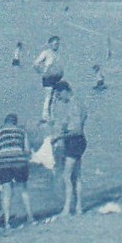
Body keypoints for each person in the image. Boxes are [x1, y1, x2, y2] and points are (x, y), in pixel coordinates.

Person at [0, 113, 34, 227]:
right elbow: (27, 150)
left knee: (6, 191)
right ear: (15, 122)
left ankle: (7, 221)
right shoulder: (22, 131)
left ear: (5, 122)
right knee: (23, 189)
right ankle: (30, 217)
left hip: (4, 163)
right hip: (20, 161)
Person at [52, 83, 88, 215]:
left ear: (65, 91)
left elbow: (77, 130)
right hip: (78, 141)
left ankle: (67, 208)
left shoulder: (74, 105)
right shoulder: (78, 104)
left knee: (66, 175)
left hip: (74, 141)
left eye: (59, 94)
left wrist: (59, 136)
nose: (59, 98)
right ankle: (78, 207)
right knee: (76, 175)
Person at [33, 35, 64, 121]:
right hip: (48, 78)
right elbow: (36, 64)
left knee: (54, 97)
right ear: (50, 44)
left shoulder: (57, 54)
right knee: (48, 96)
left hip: (56, 78)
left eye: (58, 44)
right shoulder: (46, 53)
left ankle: (52, 115)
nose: (56, 46)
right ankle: (45, 116)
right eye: (55, 44)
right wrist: (42, 72)